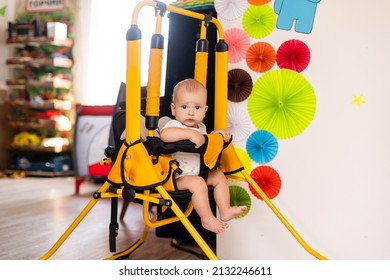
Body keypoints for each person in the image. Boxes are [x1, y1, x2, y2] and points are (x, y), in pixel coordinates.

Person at [159, 79, 247, 234]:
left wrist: (216, 135)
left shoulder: (201, 128)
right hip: (175, 178)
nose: (191, 112)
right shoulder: (174, 125)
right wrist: (189, 133)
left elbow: (205, 142)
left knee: (218, 176)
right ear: (173, 108)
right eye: (184, 107)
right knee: (199, 183)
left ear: (205, 110)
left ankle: (225, 209)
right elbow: (165, 136)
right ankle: (206, 218)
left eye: (197, 107)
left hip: (197, 173)